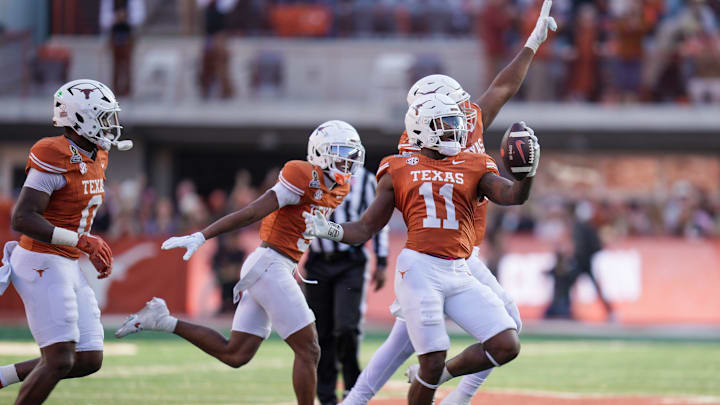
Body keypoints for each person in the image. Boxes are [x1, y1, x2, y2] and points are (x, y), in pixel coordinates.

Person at [338, 0, 556, 399]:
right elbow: (386, 209)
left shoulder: (461, 126)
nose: (463, 115)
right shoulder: (416, 150)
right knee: (418, 348)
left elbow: (502, 87)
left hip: (461, 254)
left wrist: (532, 43)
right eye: (452, 109)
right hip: (435, 256)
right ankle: (447, 394)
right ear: (426, 117)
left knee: (409, 346)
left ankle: (380, 396)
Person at [304, 93, 540, 405]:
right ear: (421, 129)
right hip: (419, 269)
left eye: (456, 123)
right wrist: (330, 229)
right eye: (446, 123)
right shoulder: (399, 167)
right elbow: (365, 227)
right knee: (432, 356)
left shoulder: (474, 165)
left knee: (506, 343)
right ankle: (425, 376)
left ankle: (442, 374)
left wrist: (526, 176)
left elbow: (512, 196)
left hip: (458, 269)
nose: (455, 130)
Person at [114, 120, 365, 405]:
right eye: (342, 151)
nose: (348, 160)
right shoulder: (302, 173)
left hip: (273, 267)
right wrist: (203, 234)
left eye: (352, 153)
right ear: (320, 153)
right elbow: (252, 211)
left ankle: (162, 320)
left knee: (236, 354)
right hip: (270, 264)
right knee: (310, 350)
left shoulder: (339, 189)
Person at [0, 79, 131, 404]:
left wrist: (80, 244)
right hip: (41, 260)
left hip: (65, 259)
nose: (110, 125)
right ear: (80, 118)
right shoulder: (52, 153)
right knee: (59, 358)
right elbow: (22, 218)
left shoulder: (97, 154)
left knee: (88, 358)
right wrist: (82, 241)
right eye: (103, 117)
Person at [304, 165, 389, 405]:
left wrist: (381, 261)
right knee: (321, 333)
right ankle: (327, 398)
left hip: (350, 262)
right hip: (318, 261)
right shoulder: (311, 176)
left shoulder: (365, 180)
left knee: (346, 328)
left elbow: (378, 221)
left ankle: (353, 392)